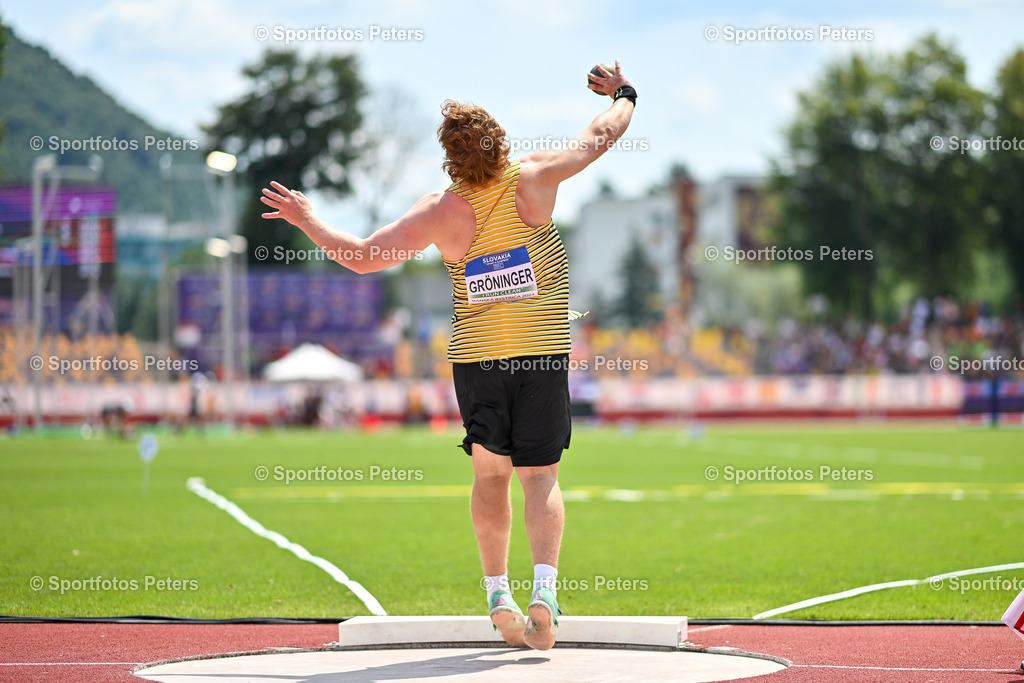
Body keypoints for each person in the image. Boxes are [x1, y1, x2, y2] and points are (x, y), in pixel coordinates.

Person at [260, 62, 636, 650]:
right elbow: (601, 135)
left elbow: (361, 257)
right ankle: (544, 593)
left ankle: (497, 597)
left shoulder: (440, 210)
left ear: (450, 159)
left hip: (479, 363)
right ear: (501, 142)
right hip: (540, 357)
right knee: (540, 477)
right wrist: (624, 94)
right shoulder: (533, 178)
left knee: (490, 476)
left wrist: (309, 220)